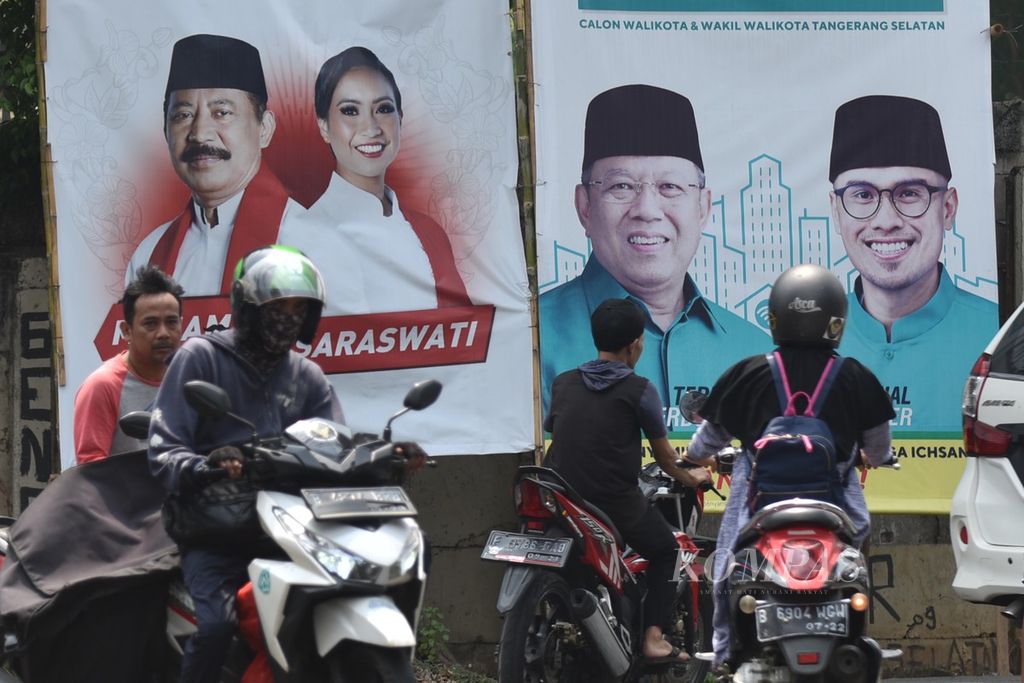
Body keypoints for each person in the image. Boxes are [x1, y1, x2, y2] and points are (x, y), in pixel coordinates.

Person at [685, 264, 895, 671]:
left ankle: (726, 654)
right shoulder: (855, 376)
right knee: (855, 555)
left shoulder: (748, 373)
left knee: (728, 569)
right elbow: (879, 446)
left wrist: (695, 457)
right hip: (834, 504)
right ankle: (857, 632)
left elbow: (707, 440)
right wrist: (878, 458)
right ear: (836, 320)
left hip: (758, 504)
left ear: (776, 315)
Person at [147, 245, 343, 682]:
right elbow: (164, 451)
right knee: (216, 626)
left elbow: (335, 446)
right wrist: (206, 466)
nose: (288, 317)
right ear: (249, 308)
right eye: (277, 306)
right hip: (218, 531)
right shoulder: (201, 358)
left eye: (298, 308)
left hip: (291, 532)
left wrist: (387, 457)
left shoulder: (307, 376)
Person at [538, 84, 769, 417]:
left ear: (703, 208)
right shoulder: (532, 340)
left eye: (670, 187)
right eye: (621, 186)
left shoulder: (754, 350)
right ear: (585, 206)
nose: (647, 209)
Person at [543, 297, 711, 663]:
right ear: (636, 343)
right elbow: (667, 461)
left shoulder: (564, 383)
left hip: (563, 500)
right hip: (614, 503)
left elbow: (561, 433)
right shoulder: (640, 389)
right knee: (667, 550)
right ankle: (653, 639)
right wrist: (694, 474)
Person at [828, 94, 998, 432]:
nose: (886, 220)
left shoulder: (998, 338)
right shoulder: (799, 346)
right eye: (862, 195)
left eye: (909, 193)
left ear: (947, 208)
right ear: (836, 211)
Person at [279, 45, 470, 315]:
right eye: (350, 111)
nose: (371, 128)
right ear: (324, 127)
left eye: (383, 109)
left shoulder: (429, 233)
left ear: (400, 120)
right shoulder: (299, 238)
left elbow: (465, 333)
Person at [125, 34, 301, 296]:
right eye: (183, 115)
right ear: (166, 130)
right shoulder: (149, 255)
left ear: (264, 128)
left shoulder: (307, 238)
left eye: (222, 113)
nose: (200, 132)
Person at [73, 265, 184, 464]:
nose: (163, 333)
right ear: (126, 330)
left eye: (171, 322)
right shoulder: (102, 386)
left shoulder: (192, 378)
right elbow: (92, 472)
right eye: (150, 323)